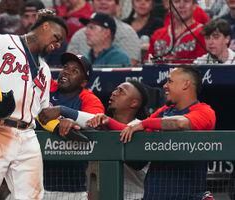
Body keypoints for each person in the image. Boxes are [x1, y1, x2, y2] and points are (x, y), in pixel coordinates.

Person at [0, 11, 68, 199]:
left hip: (28, 134)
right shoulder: (1, 42)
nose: (56, 45)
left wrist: (62, 125)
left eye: (60, 43)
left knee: (33, 197)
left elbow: (42, 114)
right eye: (56, 37)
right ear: (45, 26)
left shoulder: (45, 70)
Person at [88, 66, 216, 199]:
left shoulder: (205, 111)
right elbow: (134, 131)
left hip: (185, 194)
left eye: (170, 81)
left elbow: (180, 123)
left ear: (186, 84)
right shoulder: (165, 110)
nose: (165, 86)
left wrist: (144, 123)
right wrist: (109, 122)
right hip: (155, 194)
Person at [38, 52, 105, 200]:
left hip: (71, 188)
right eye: (66, 67)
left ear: (83, 82)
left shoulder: (89, 99)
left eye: (75, 71)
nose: (66, 71)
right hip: (34, 183)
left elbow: (96, 120)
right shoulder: (47, 88)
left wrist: (64, 112)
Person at [67, 0, 141, 66]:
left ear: (118, 6)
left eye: (108, 0)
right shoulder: (78, 36)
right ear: (91, 4)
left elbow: (130, 67)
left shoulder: (128, 33)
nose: (103, 2)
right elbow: (69, 65)